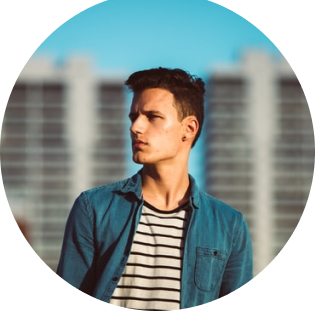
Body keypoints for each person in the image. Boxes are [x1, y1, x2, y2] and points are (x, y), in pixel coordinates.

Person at [57, 67, 253, 310]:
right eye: (133, 117)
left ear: (189, 128)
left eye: (152, 117)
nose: (135, 127)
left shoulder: (229, 225)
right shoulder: (93, 208)